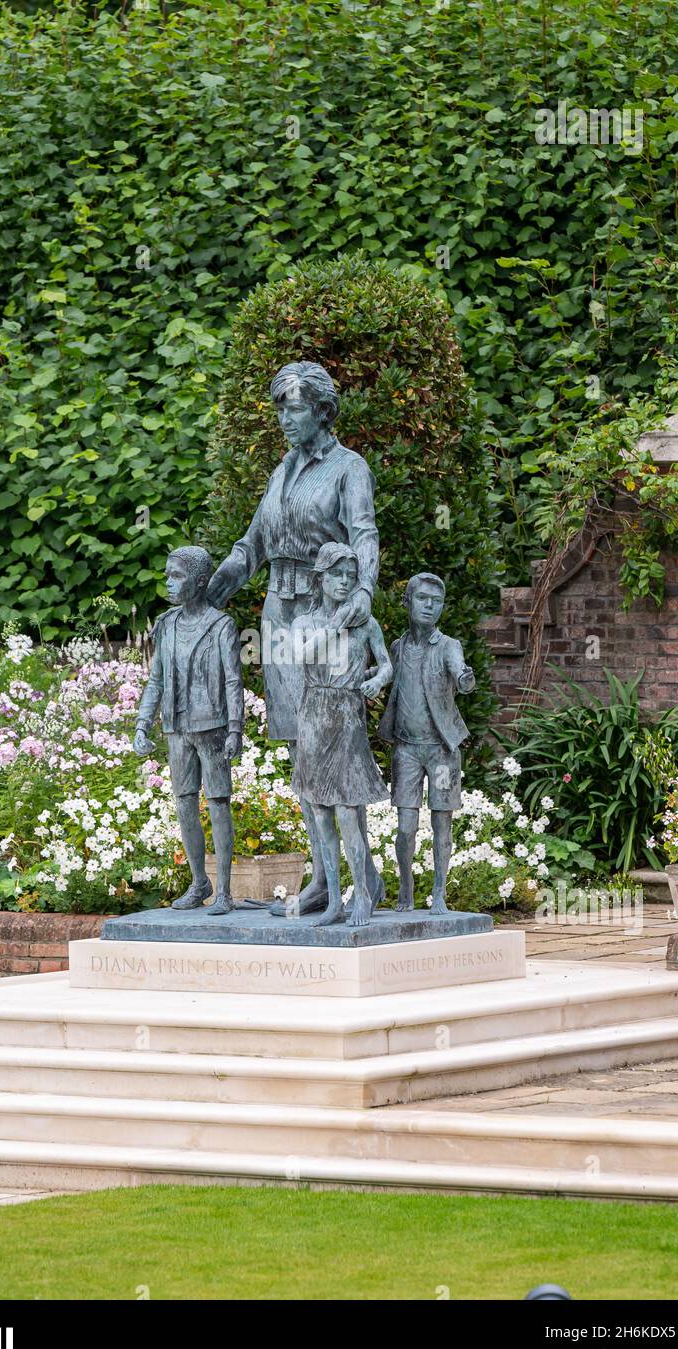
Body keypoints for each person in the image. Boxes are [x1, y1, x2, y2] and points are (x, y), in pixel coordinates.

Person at [207, 360, 383, 913]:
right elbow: (251, 546)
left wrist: (363, 592)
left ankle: (359, 880)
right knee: (299, 748)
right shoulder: (281, 470)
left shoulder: (348, 468)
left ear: (323, 411)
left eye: (296, 408)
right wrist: (211, 594)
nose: (285, 418)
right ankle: (326, 879)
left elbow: (364, 534)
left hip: (324, 612)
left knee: (332, 746)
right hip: (279, 616)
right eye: (280, 408)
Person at [287, 544, 393, 928]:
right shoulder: (304, 622)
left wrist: (378, 680)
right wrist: (335, 625)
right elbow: (302, 656)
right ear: (321, 578)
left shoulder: (366, 623)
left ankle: (362, 894)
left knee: (348, 812)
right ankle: (333, 899)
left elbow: (387, 664)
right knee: (320, 814)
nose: (344, 582)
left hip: (347, 716)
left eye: (351, 576)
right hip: (314, 716)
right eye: (336, 574)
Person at [134, 546, 243, 915]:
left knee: (218, 804)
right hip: (176, 727)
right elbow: (156, 680)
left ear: (200, 582)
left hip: (212, 726)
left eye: (176, 576)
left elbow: (233, 680)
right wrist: (142, 723)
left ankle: (224, 890)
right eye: (167, 575)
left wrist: (235, 728)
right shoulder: (166, 625)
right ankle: (199, 882)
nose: (168, 582)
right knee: (184, 805)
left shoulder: (221, 625)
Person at [378, 572, 475, 916]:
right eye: (422, 599)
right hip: (406, 750)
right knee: (405, 828)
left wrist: (464, 677)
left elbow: (459, 671)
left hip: (441, 753)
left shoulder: (449, 646)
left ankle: (439, 892)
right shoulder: (397, 647)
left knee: (441, 823)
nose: (430, 606)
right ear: (407, 602)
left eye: (437, 601)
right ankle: (405, 890)